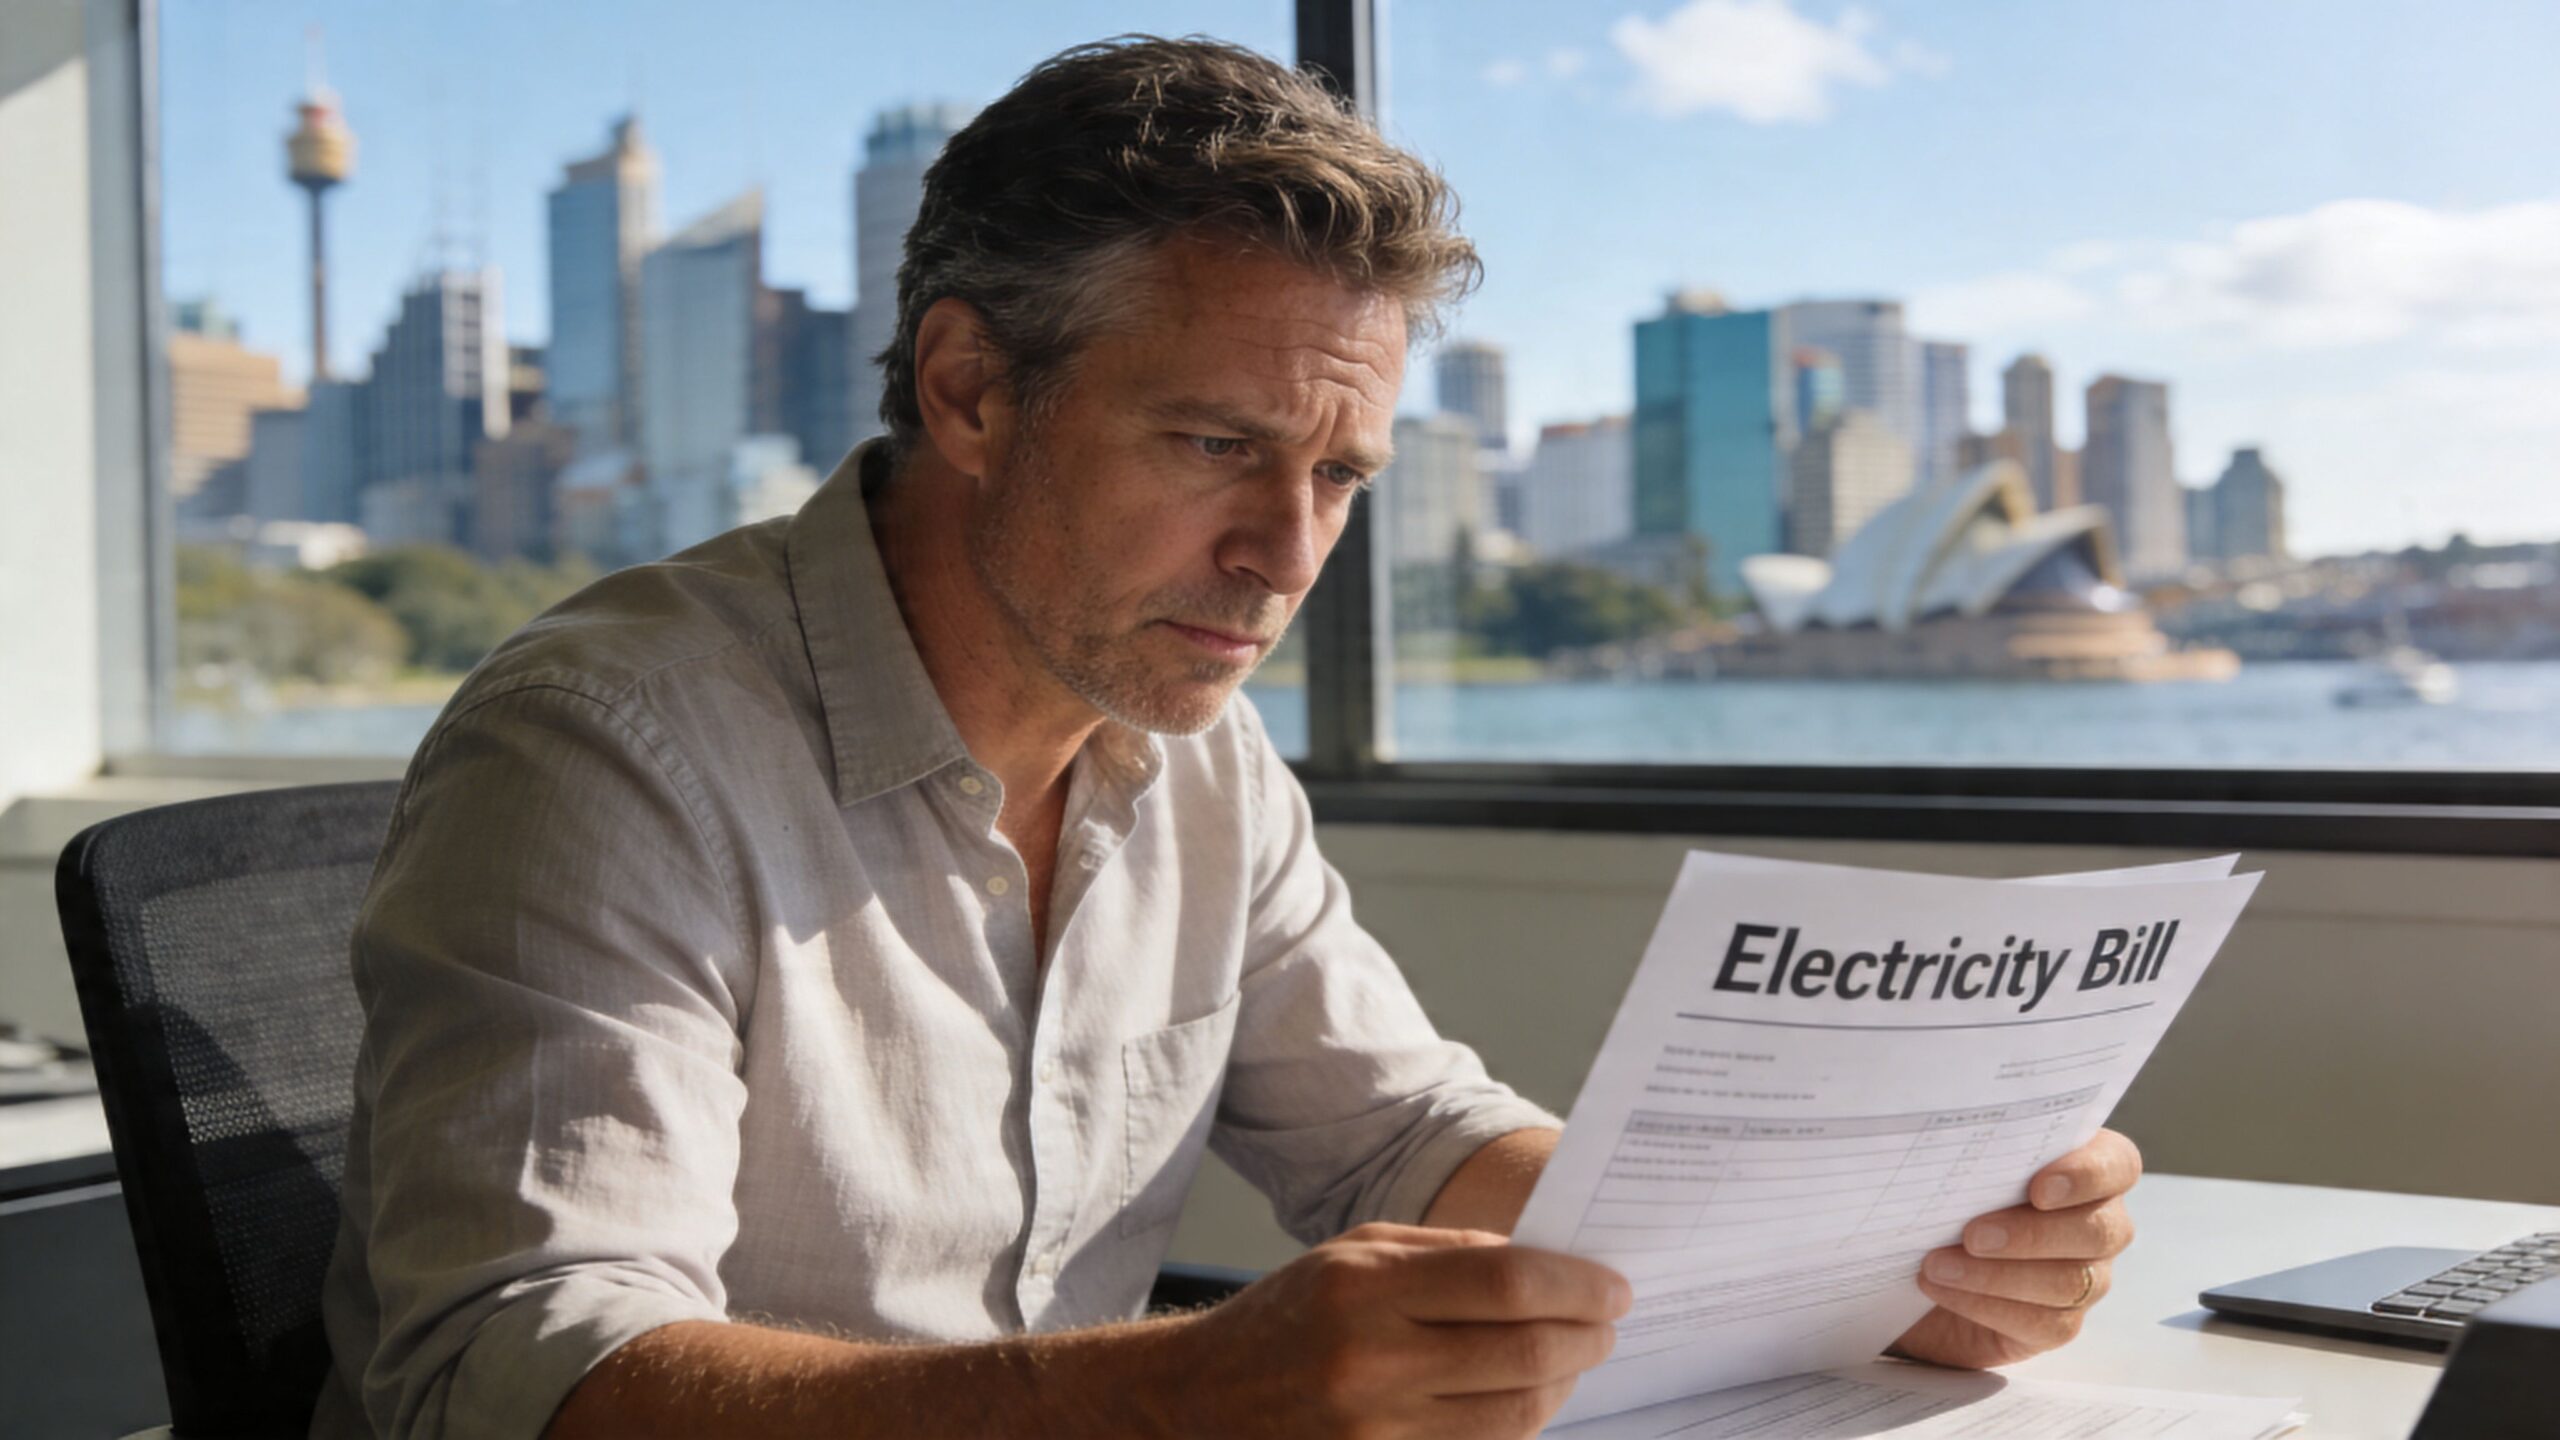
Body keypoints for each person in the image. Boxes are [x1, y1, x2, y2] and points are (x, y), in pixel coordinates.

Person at [313, 36, 2142, 1440]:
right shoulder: (608, 746)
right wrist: (1175, 1400)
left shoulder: (1190, 743)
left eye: (1340, 475)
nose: (1287, 556)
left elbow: (1401, 1137)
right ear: (969, 387)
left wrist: (1859, 1266)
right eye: (1212, 446)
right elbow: (522, 1373)